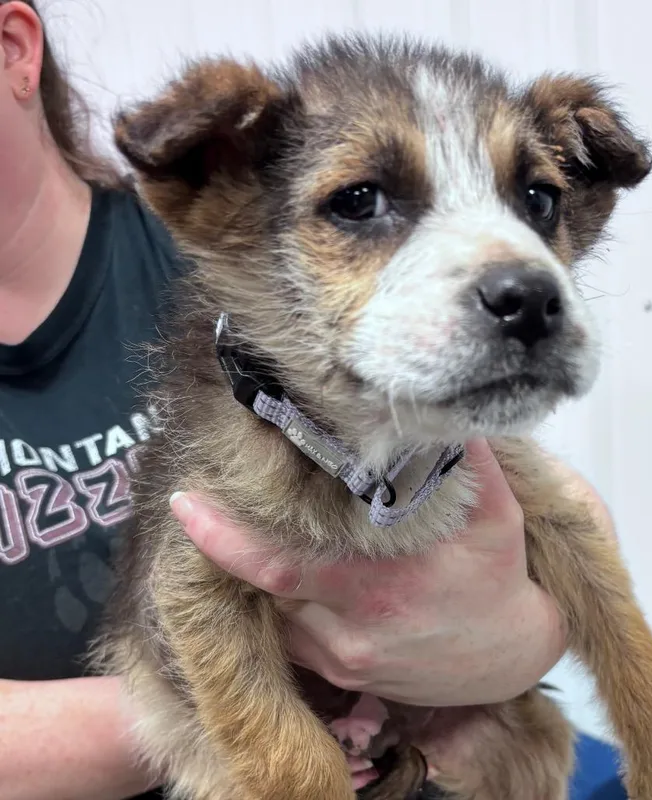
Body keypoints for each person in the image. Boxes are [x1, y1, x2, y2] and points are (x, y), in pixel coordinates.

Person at [0, 2, 617, 799]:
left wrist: (520, 640)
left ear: (14, 47)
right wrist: (238, 707)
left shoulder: (233, 214)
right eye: (364, 205)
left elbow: (555, 506)